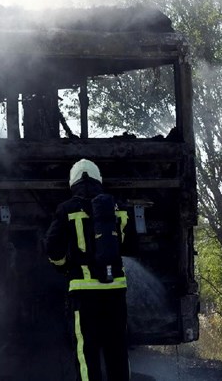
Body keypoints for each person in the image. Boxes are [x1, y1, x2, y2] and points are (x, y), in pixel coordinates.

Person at [44, 159, 132, 381]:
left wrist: (64, 267)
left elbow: (52, 247)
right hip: (115, 289)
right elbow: (131, 246)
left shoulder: (66, 209)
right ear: (98, 180)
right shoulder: (117, 208)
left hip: (83, 294)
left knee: (86, 352)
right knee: (117, 349)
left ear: (72, 183)